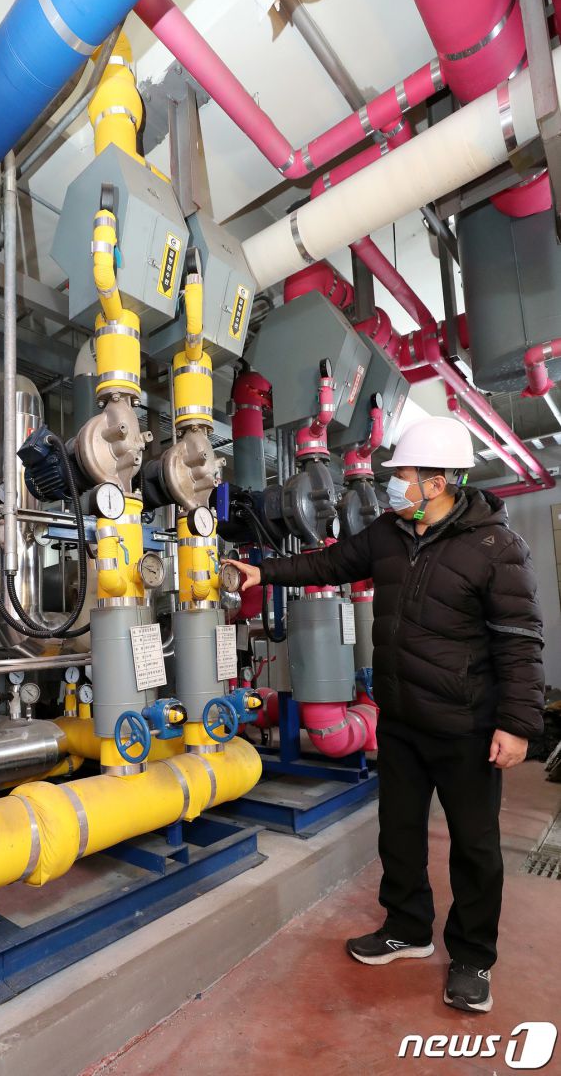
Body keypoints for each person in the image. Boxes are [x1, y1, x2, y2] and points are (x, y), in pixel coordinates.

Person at [229, 416, 544, 1014]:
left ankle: (473, 957)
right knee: (399, 833)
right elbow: (328, 565)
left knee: (475, 847)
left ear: (438, 483)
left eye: (403, 475)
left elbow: (520, 641)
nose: (393, 484)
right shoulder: (389, 533)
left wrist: (517, 724)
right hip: (399, 720)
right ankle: (407, 928)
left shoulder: (495, 548)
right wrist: (263, 571)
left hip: (466, 726)